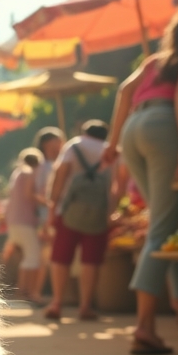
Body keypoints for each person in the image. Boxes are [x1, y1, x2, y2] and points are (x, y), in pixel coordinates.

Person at [103, 1, 178, 355]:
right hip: (163, 129)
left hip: (133, 130)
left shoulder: (155, 62)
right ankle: (144, 326)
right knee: (163, 227)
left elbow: (125, 93)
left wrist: (112, 146)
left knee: (170, 223)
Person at [44, 120, 112, 322]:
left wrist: (53, 205)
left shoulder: (74, 145)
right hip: (98, 212)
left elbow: (61, 174)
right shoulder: (110, 149)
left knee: (61, 257)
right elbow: (118, 182)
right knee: (90, 260)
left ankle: (56, 303)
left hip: (68, 210)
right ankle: (85, 306)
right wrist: (112, 211)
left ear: (85, 131)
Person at [0, 147, 45, 303]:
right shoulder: (28, 173)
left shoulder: (17, 173)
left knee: (27, 256)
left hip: (14, 220)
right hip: (24, 220)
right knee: (33, 257)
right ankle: (26, 291)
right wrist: (46, 202)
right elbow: (28, 194)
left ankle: (22, 290)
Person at [30, 126, 65, 301]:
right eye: (56, 141)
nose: (60, 144)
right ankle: (36, 292)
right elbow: (35, 193)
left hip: (50, 216)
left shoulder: (52, 164)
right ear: (46, 144)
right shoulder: (43, 167)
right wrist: (49, 203)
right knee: (45, 257)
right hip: (46, 218)